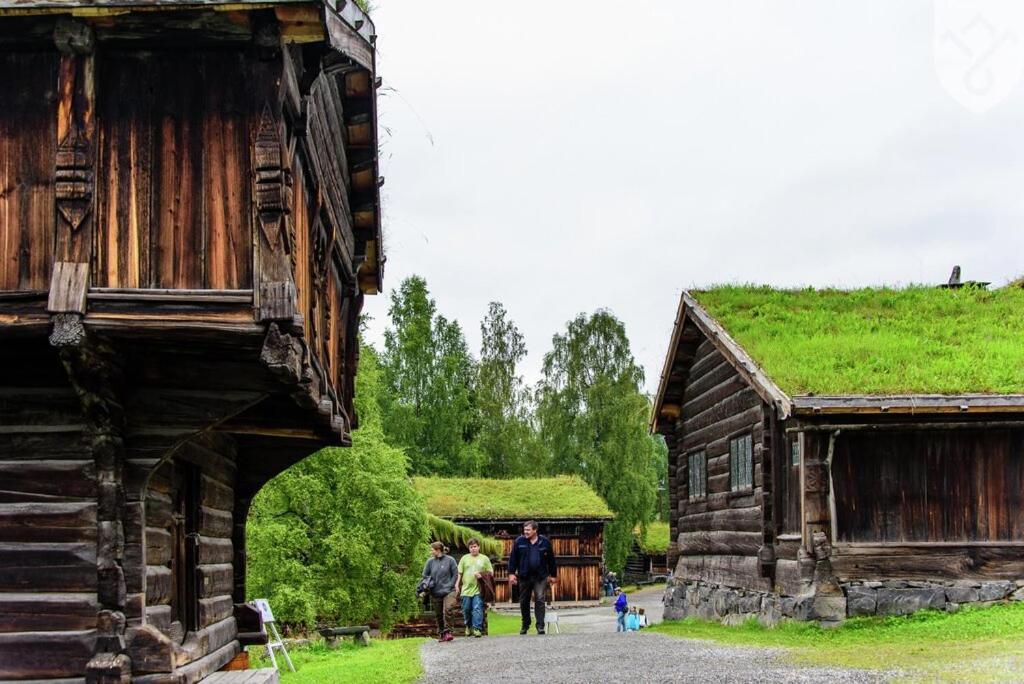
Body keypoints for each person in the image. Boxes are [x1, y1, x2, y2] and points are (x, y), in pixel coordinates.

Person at [507, 520, 557, 635]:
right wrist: (511, 573)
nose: (526, 532)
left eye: (528, 530)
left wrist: (553, 575)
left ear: (535, 530)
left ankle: (540, 626)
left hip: (540, 576)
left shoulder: (544, 542)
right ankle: (525, 624)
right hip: (524, 576)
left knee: (540, 599)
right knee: (524, 601)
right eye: (524, 530)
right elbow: (513, 558)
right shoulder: (519, 542)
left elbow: (551, 560)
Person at [455, 538, 492, 638]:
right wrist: (457, 584)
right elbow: (460, 573)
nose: (473, 549)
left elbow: (490, 573)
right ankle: (468, 626)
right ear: (469, 548)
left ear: (479, 547)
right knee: (466, 609)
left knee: (477, 608)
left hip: (478, 589)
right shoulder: (464, 558)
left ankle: (477, 629)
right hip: (466, 589)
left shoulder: (484, 559)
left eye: (475, 546)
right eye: (471, 547)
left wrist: (481, 575)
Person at [421, 541, 458, 642]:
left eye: (432, 550)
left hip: (449, 591)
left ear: (438, 550)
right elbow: (424, 575)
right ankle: (442, 633)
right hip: (435, 591)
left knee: (448, 609)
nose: (431, 551)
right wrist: (428, 583)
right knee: (438, 614)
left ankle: (448, 632)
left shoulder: (450, 560)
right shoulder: (430, 562)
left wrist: (450, 585)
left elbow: (455, 574)